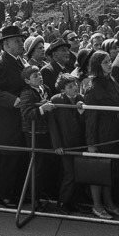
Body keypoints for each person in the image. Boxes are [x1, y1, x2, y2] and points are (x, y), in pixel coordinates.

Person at [0, 25, 29, 207]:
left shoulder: (19, 61)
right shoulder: (1, 63)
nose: (21, 43)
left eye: (21, 40)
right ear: (7, 45)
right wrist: (13, 100)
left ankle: (18, 193)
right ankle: (5, 195)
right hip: (7, 118)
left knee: (19, 156)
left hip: (18, 117)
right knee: (10, 157)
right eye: (17, 41)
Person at [83, 50, 119, 219]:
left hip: (115, 131)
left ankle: (109, 203)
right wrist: (91, 143)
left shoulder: (112, 80)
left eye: (110, 60)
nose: (110, 64)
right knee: (99, 170)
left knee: (111, 169)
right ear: (97, 65)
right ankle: (97, 205)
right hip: (102, 132)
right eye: (105, 62)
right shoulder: (93, 87)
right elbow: (90, 118)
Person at [47, 73, 85, 214]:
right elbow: (53, 125)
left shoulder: (80, 99)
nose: (75, 88)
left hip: (79, 142)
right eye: (70, 86)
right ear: (63, 90)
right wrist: (57, 145)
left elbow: (85, 122)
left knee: (78, 173)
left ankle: (74, 202)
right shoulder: (56, 100)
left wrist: (81, 112)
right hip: (65, 143)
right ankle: (63, 202)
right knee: (69, 174)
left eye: (75, 84)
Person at [18, 64, 56, 204]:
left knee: (45, 164)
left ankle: (42, 193)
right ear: (27, 81)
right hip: (33, 132)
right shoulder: (27, 93)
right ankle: (35, 198)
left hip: (45, 130)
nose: (39, 77)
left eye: (39, 74)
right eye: (35, 76)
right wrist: (41, 109)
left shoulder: (45, 89)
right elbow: (26, 114)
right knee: (36, 165)